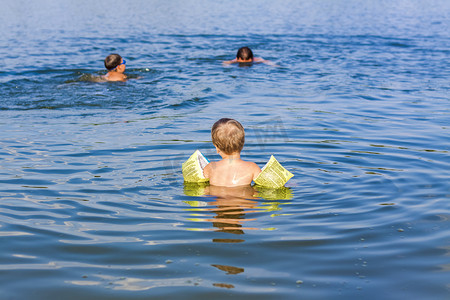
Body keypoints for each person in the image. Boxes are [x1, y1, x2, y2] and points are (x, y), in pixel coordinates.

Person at [203, 118, 261, 187]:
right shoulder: (252, 168)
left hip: (215, 197)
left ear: (216, 147)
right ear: (242, 144)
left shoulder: (210, 168)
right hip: (243, 197)